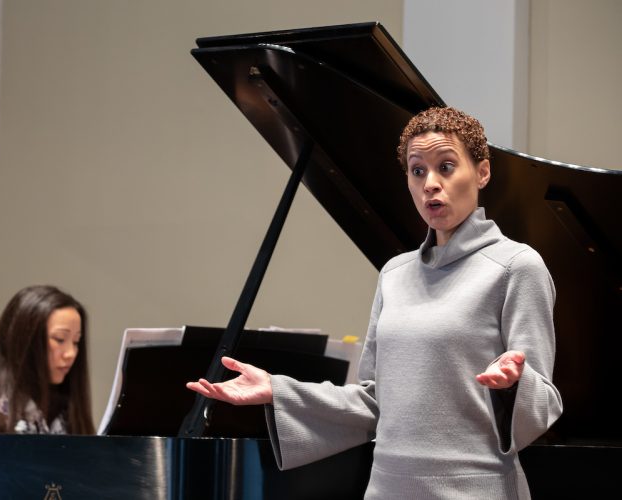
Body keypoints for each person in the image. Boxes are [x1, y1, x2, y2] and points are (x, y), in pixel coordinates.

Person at [187, 106, 563, 499]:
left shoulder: (516, 266)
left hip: (475, 489)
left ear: (482, 172)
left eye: (447, 166)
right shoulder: (394, 274)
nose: (431, 183)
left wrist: (515, 384)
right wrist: (278, 390)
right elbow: (373, 399)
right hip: (387, 488)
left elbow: (544, 403)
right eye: (418, 171)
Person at [0, 285, 94, 437]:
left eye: (76, 342)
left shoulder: (67, 410)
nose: (71, 353)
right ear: (25, 340)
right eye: (59, 339)